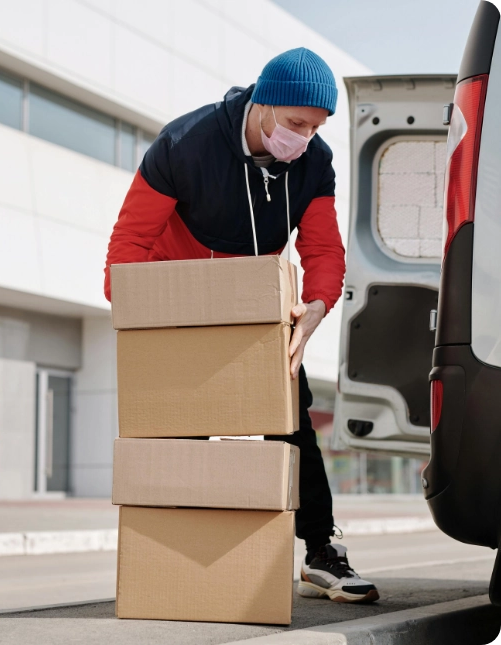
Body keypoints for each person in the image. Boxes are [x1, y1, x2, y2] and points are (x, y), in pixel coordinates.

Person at [104, 47, 379, 604]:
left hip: (255, 307)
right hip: (180, 305)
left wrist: (318, 307)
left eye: (315, 127)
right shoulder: (185, 144)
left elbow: (325, 247)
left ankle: (322, 552)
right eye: (296, 124)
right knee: (183, 436)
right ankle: (176, 560)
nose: (304, 138)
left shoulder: (312, 161)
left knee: (293, 423)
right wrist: (140, 321)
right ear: (262, 105)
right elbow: (128, 245)